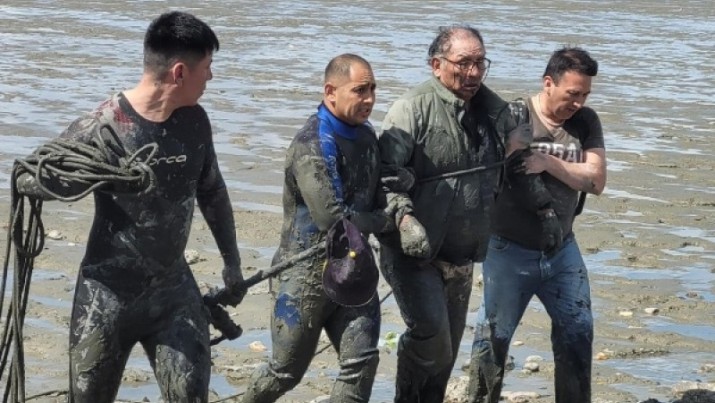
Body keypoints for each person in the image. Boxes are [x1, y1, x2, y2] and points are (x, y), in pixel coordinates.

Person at [14, 11, 246, 402]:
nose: (210, 77)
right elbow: (28, 178)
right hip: (107, 295)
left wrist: (232, 262)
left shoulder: (195, 122)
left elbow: (213, 192)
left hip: (173, 291)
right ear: (178, 72)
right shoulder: (103, 126)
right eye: (207, 67)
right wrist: (94, 173)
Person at [241, 53, 394, 403]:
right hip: (304, 274)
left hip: (355, 269)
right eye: (359, 90)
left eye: (372, 89)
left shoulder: (367, 136)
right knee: (286, 371)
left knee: (362, 363)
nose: (369, 99)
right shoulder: (310, 144)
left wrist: (399, 182)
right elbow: (332, 220)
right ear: (330, 92)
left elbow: (373, 191)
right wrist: (386, 221)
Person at [376, 25, 512, 402]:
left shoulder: (492, 113)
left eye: (480, 63)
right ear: (436, 65)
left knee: (448, 352)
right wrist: (404, 218)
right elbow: (383, 177)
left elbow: (523, 150)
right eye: (463, 63)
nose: (473, 73)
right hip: (415, 253)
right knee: (431, 340)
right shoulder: (411, 109)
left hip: (463, 257)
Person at [468, 47, 606, 403]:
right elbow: (509, 169)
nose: (579, 102)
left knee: (578, 333)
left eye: (585, 94)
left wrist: (548, 162)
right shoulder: (517, 116)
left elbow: (596, 180)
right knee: (491, 340)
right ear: (549, 83)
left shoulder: (585, 122)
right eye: (572, 93)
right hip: (508, 250)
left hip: (563, 251)